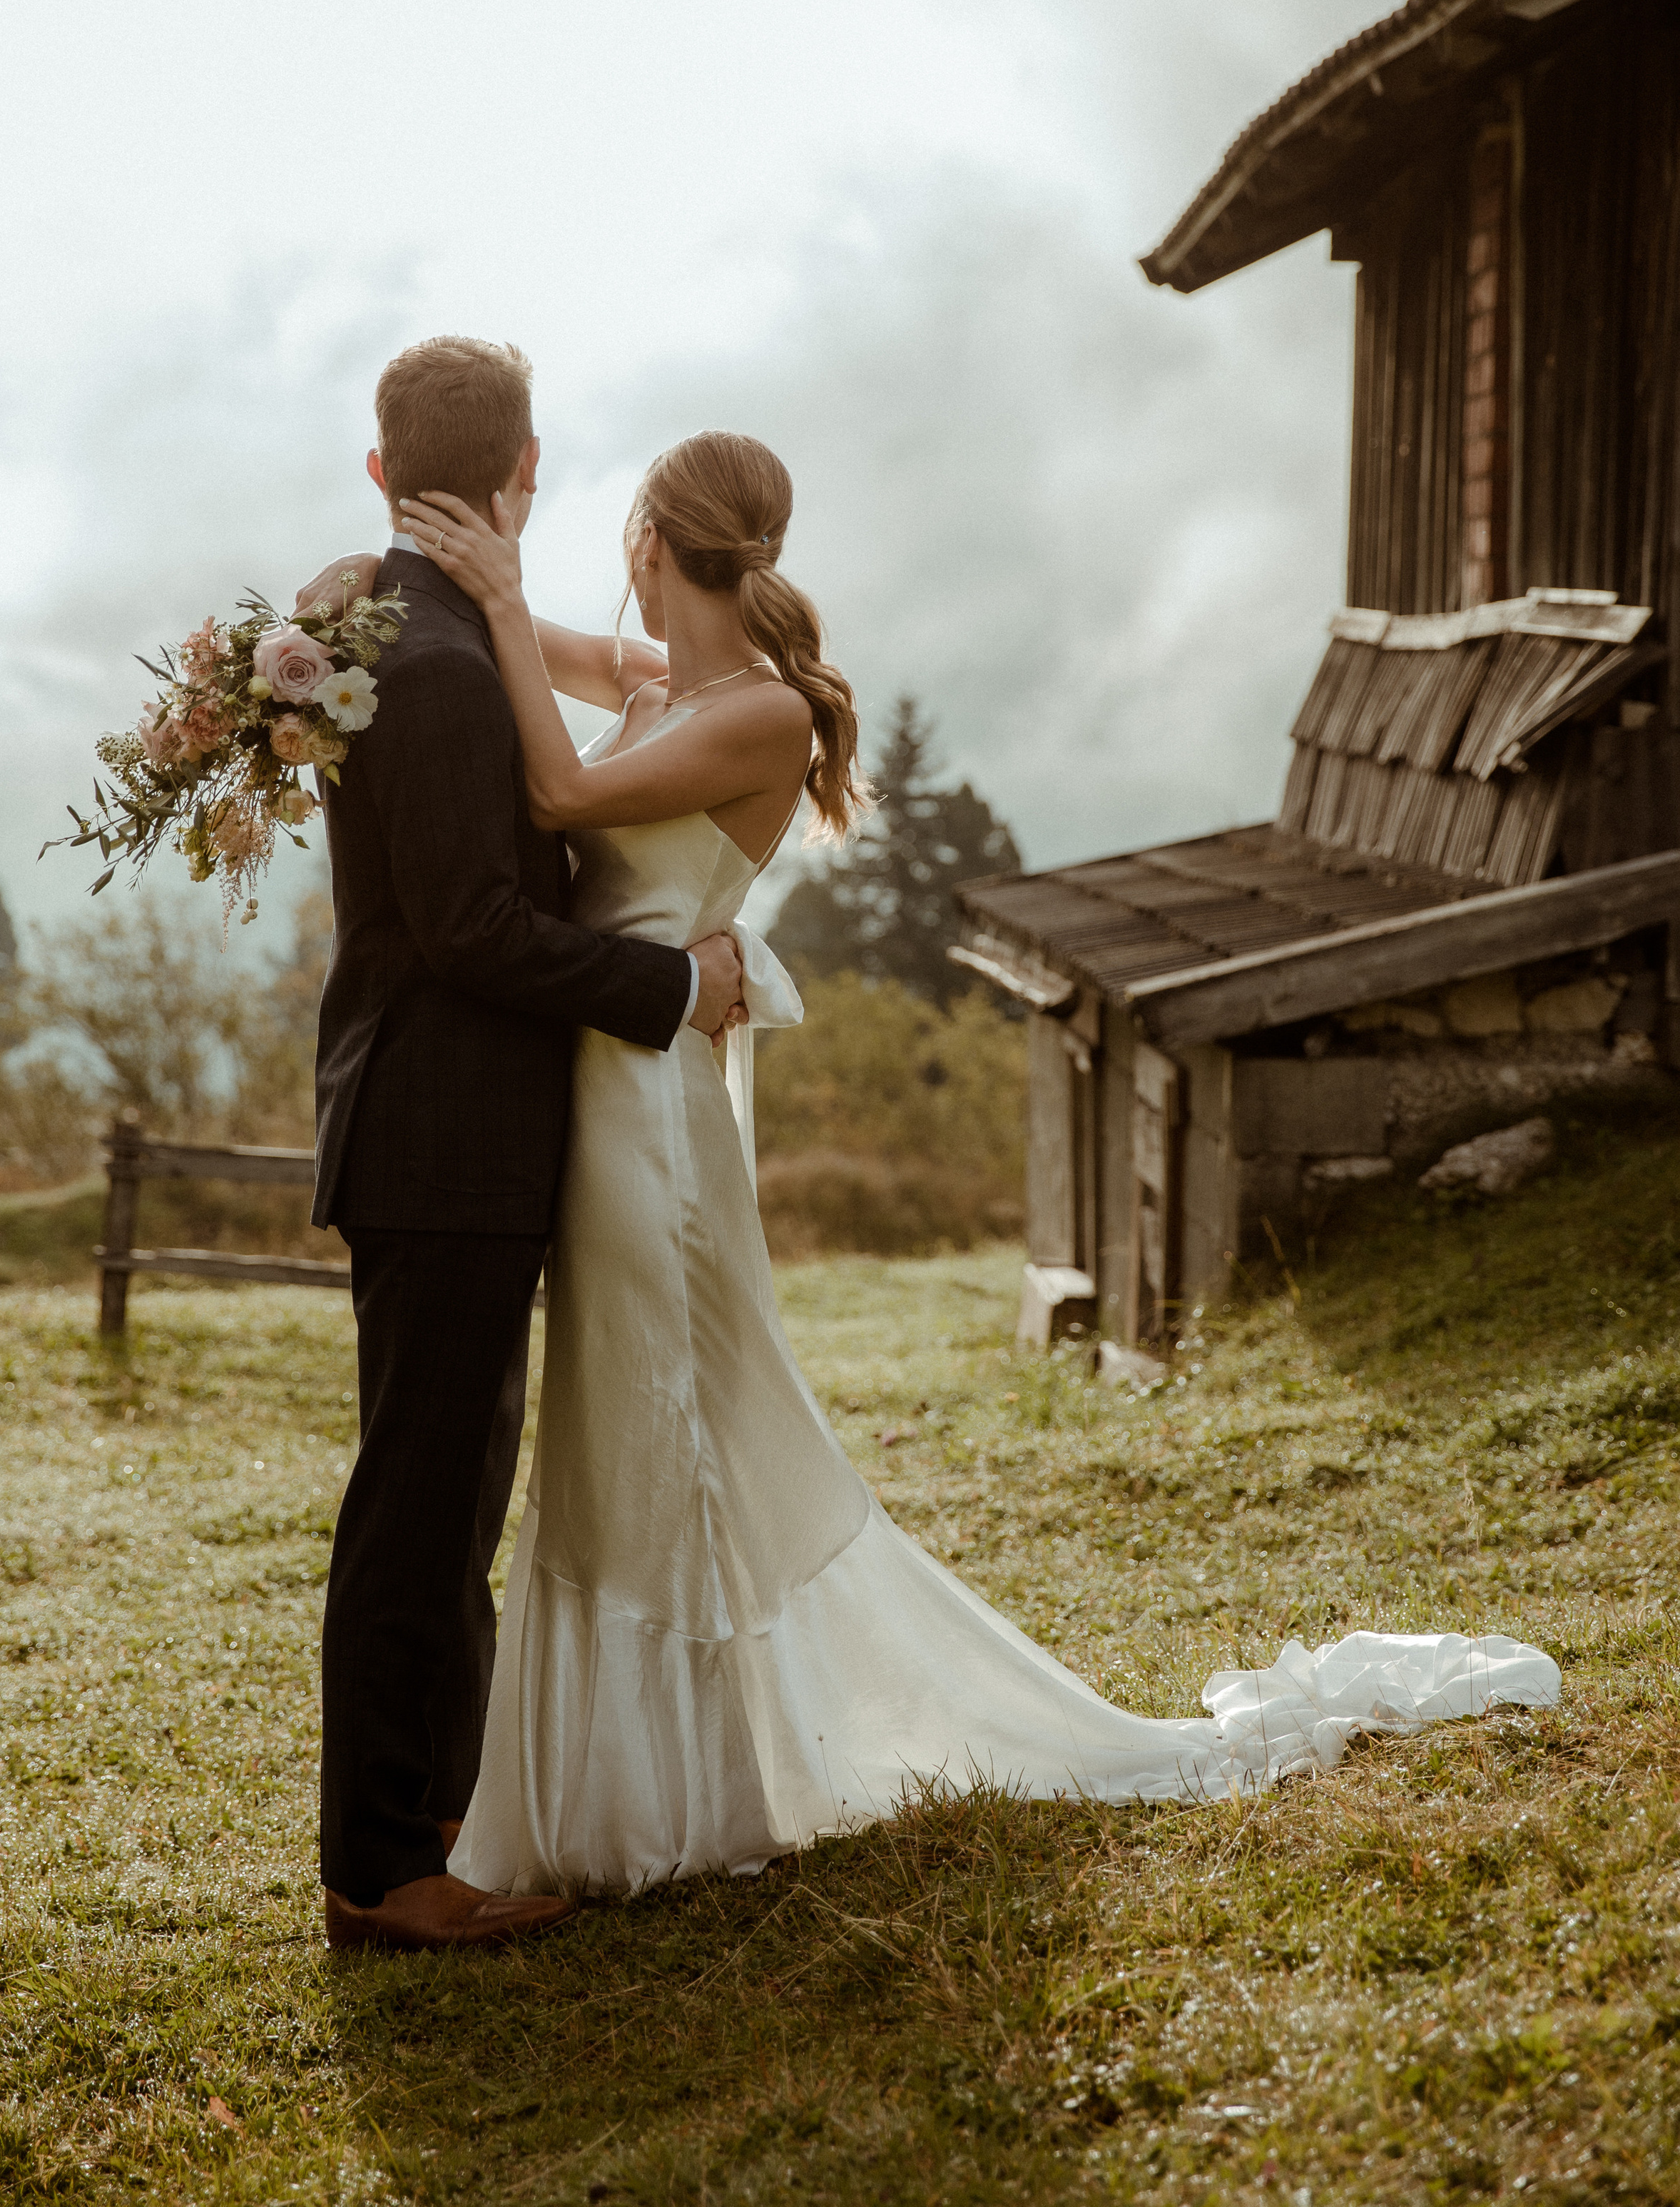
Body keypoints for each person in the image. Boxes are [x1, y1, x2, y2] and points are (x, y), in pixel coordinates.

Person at [365, 423, 1559, 1899]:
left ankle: (671, 1805)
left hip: (653, 1122)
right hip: (607, 1089)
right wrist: (423, 586)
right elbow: (536, 658)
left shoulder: (758, 717)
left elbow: (552, 799)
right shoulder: (668, 684)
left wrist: (485, 598)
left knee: (660, 1415)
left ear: (646, 544)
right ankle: (647, 1786)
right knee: (621, 1425)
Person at [304, 337, 747, 1953]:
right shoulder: (419, 663)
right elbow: (475, 926)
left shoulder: (387, 615)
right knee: (420, 1507)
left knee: (449, 1494)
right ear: (525, 473)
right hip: (439, 1138)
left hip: (460, 1136)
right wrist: (668, 985)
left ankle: (430, 1810)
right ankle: (378, 1867)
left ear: (381, 471)